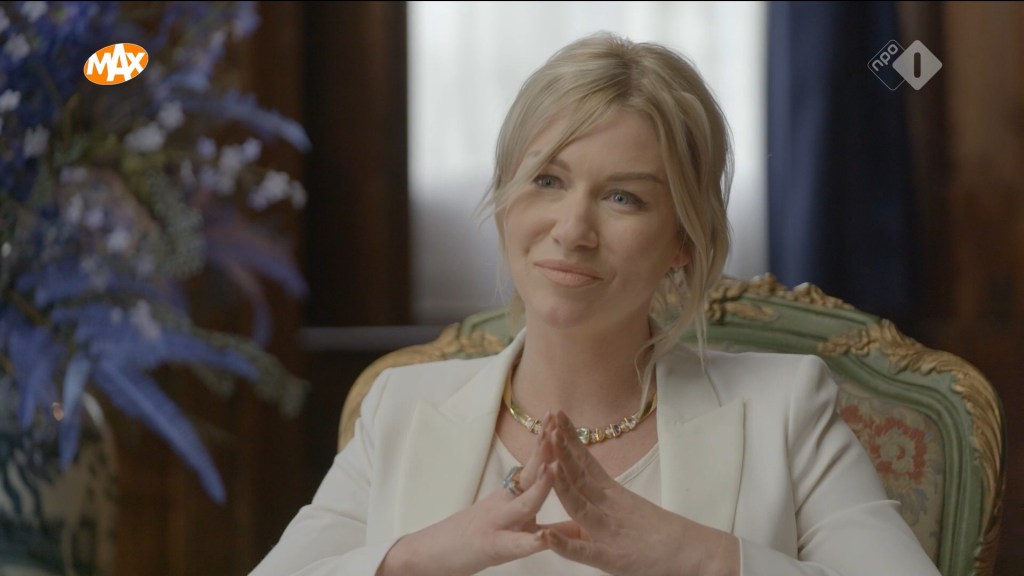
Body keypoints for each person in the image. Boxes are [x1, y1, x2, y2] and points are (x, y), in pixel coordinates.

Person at [251, 32, 940, 576]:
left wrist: (696, 556)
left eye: (623, 197)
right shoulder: (400, 407)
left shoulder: (785, 410)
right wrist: (419, 557)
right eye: (547, 180)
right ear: (505, 201)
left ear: (683, 240)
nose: (572, 230)